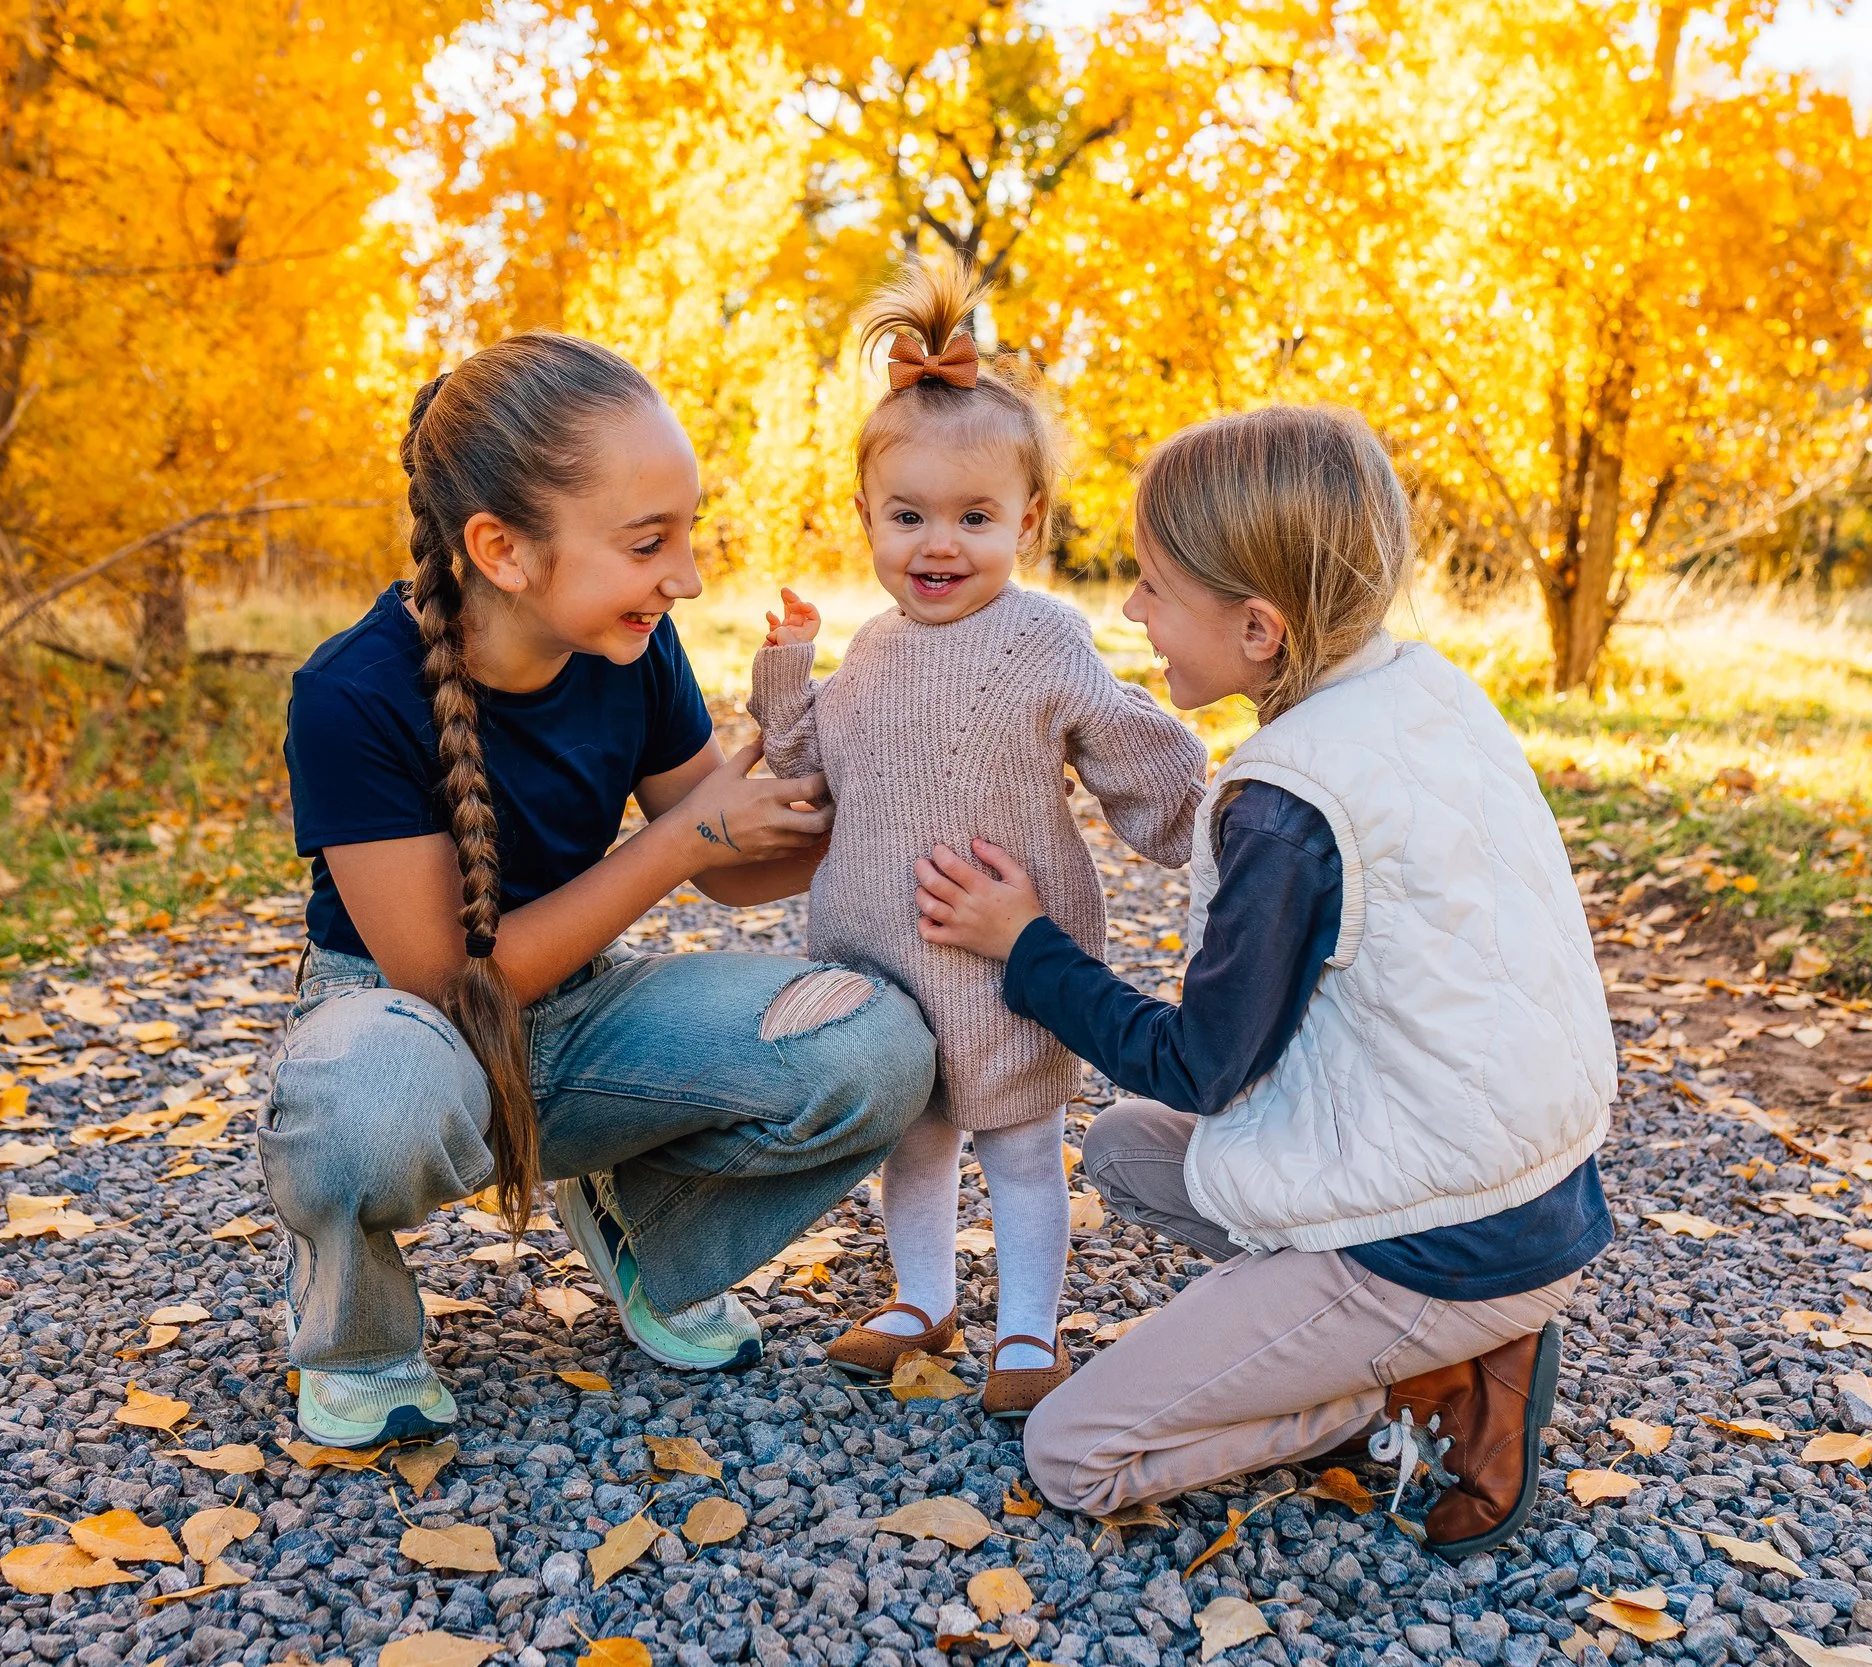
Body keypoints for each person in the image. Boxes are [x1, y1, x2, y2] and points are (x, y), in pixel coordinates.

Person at [911, 404, 1616, 1555]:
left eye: (1151, 586)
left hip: (1436, 1240)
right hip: (1528, 1190)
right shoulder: (1421, 693)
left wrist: (1024, 943)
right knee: (1129, 1148)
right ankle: (1425, 1336)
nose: (1132, 611)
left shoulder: (1290, 806)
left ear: (1257, 627)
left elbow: (1204, 1063)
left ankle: (1409, 1383)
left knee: (1076, 1450)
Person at [267, 331, 938, 1450]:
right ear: (503, 550)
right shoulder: (350, 693)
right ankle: (356, 1336)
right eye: (647, 543)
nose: (685, 576)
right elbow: (443, 982)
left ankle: (645, 1226)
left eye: (687, 533)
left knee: (876, 1047)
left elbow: (730, 864)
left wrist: (864, 797)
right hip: (407, 1030)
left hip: (581, 1017)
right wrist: (678, 842)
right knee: (368, 1103)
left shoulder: (634, 644)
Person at [747, 260, 1205, 1420]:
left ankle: (1026, 1325)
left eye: (973, 517)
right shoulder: (868, 650)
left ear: (1028, 522)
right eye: (906, 517)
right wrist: (785, 667)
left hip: (1004, 960)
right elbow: (807, 770)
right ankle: (921, 1296)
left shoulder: (1044, 637)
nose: (935, 545)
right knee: (915, 1140)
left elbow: (1130, 744)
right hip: (881, 954)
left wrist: (1208, 827)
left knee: (1016, 1144)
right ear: (866, 520)